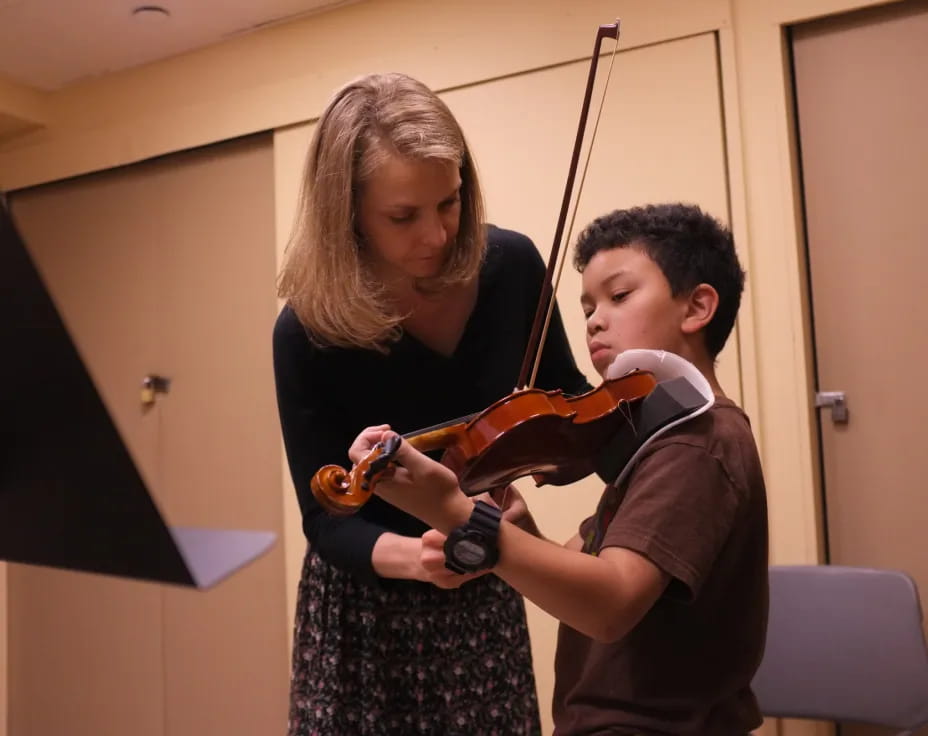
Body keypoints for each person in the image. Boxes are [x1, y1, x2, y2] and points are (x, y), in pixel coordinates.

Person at [349, 203, 769, 735]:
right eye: (588, 305)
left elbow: (610, 605)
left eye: (619, 296)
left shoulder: (697, 446)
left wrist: (455, 513)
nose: (595, 319)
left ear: (697, 307)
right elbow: (581, 578)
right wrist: (517, 529)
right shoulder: (657, 438)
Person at [273, 71, 589, 736]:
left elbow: (567, 411)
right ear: (348, 214)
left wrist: (538, 471)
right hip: (365, 613)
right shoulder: (307, 331)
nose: (438, 235)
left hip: (485, 572)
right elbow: (325, 520)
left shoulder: (511, 267)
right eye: (402, 216)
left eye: (448, 202)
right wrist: (414, 557)